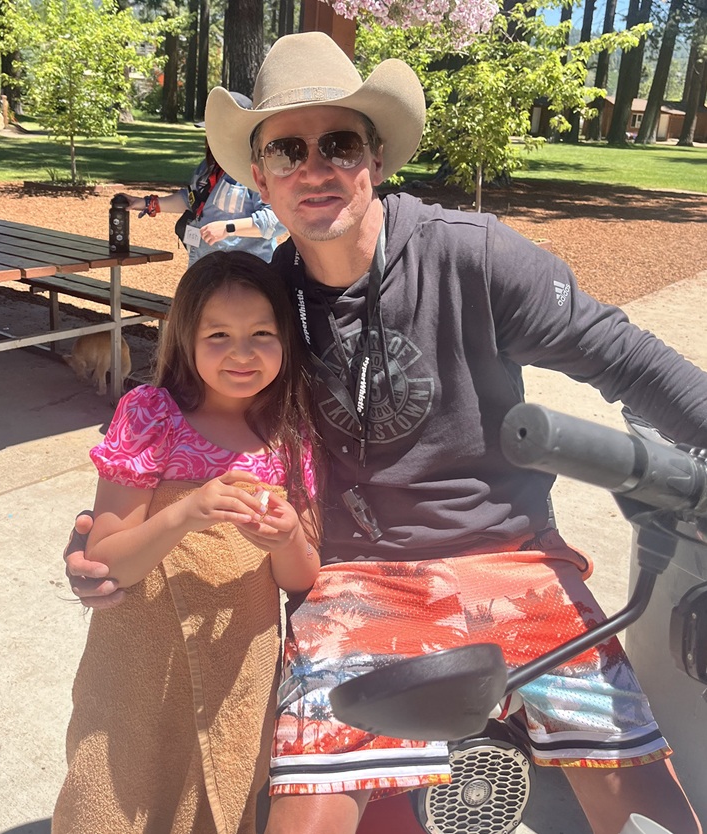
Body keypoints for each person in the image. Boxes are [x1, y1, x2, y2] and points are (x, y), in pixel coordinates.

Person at [67, 32, 707, 834]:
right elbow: (187, 420)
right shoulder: (269, 306)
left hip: (513, 557)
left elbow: (627, 358)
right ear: (258, 175)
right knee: (308, 815)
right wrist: (108, 526)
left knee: (639, 794)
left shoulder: (473, 257)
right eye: (287, 148)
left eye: (339, 142)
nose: (315, 166)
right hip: (354, 575)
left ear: (375, 158)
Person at [51, 251, 320, 833]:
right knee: (114, 797)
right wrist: (188, 512)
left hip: (239, 668)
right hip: (134, 666)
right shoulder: (150, 416)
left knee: (214, 800)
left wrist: (288, 535)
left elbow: (301, 579)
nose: (241, 353)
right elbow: (106, 561)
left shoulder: (292, 433)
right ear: (184, 337)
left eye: (261, 335)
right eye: (218, 335)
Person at [121, 92, 286, 267]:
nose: (210, 138)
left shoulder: (259, 170)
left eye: (217, 131)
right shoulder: (208, 166)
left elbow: (276, 220)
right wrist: (145, 203)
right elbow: (190, 199)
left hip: (246, 274)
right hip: (205, 267)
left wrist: (228, 228)